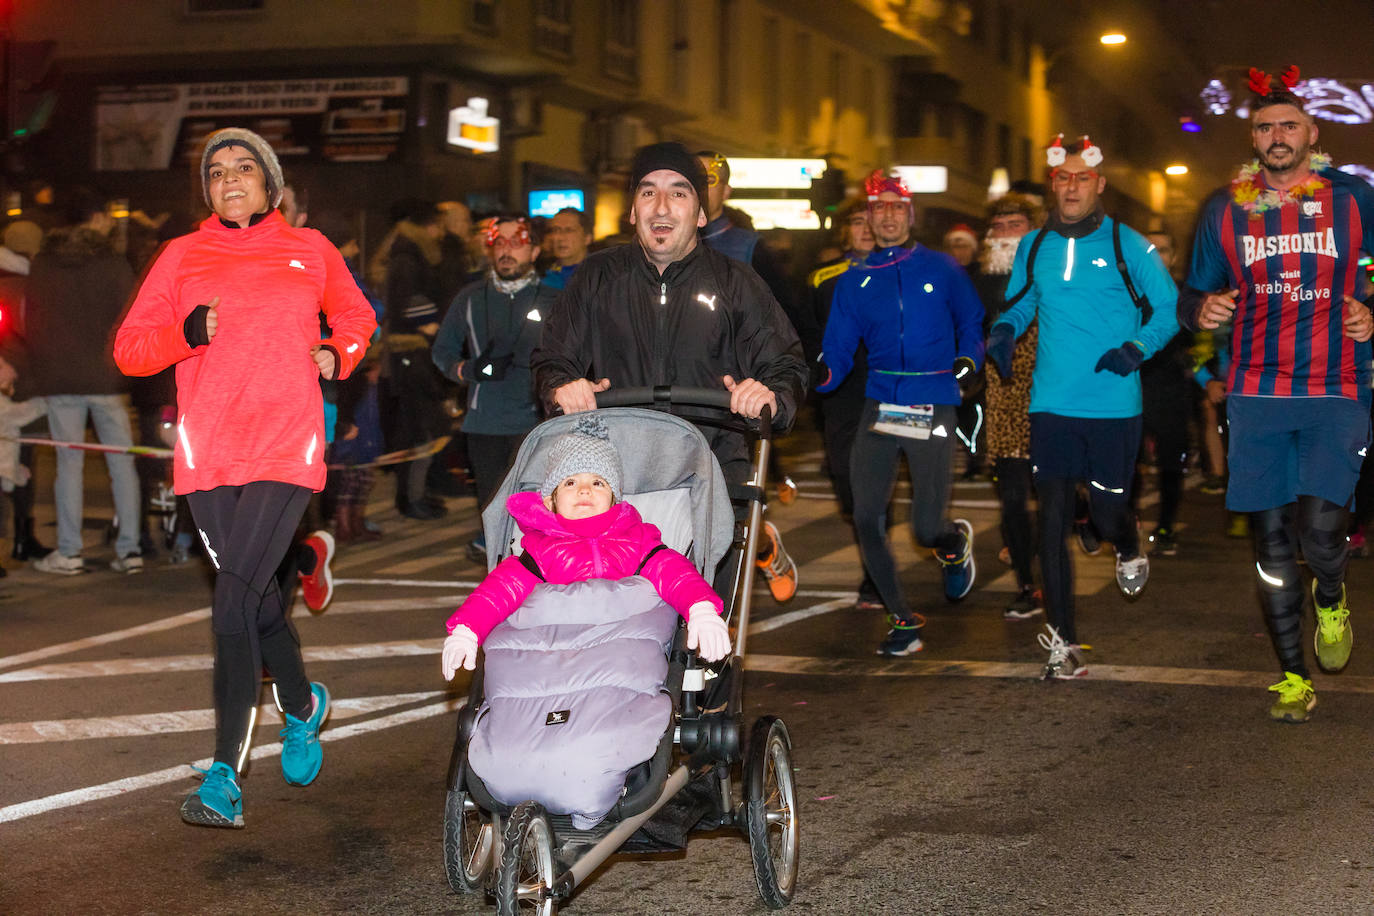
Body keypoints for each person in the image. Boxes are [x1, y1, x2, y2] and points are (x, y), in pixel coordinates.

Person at [114, 127, 377, 828]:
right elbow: (130, 349)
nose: (230, 180)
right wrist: (186, 333)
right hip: (209, 455)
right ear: (207, 190)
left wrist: (337, 353)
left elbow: (357, 317)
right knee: (257, 602)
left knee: (231, 602)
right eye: (218, 172)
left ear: (271, 184)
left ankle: (224, 777)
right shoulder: (181, 255)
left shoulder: (310, 248)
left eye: (244, 169)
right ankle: (302, 703)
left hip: (286, 445)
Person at [1177, 66, 1374, 722]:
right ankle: (1293, 676)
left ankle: (1332, 594)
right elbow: (1191, 293)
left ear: (1312, 133)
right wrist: (1200, 313)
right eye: (1265, 127)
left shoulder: (1352, 199)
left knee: (1320, 537)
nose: (1277, 135)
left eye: (1289, 124)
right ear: (1253, 139)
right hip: (1256, 392)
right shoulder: (1224, 208)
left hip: (1336, 387)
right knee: (1269, 544)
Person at [532, 141, 808, 601]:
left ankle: (707, 659)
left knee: (706, 600)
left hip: (714, 457)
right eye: (648, 192)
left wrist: (769, 394)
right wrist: (562, 385)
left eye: (679, 193)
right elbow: (553, 357)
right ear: (632, 210)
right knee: (620, 600)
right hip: (618, 462)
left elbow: (784, 362)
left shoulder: (735, 282)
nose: (661, 207)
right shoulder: (597, 278)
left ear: (701, 214)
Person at [986, 135, 1179, 679]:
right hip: (1051, 404)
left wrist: (1135, 349)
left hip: (1114, 405)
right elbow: (1025, 300)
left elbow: (1168, 308)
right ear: (1054, 184)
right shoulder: (1035, 244)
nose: (1071, 187)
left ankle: (1126, 539)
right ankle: (1065, 644)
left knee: (1106, 512)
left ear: (1098, 184)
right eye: (1062, 178)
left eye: (1081, 178)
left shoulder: (1128, 244)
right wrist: (1004, 330)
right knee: (1050, 522)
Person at [817, 169, 983, 657]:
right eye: (878, 207)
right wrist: (819, 376)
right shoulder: (854, 282)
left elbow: (972, 320)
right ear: (868, 217)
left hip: (932, 403)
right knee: (867, 517)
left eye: (896, 207)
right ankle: (903, 620)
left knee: (924, 528)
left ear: (909, 214)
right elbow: (838, 349)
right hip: (881, 403)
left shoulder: (943, 268)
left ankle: (951, 544)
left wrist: (968, 360)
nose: (887, 215)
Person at [441, 414, 730, 677]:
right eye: (569, 483)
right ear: (550, 501)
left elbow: (674, 572)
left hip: (621, 657)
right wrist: (467, 629)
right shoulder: (540, 550)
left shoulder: (637, 541)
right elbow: (499, 589)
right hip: (556, 659)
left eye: (598, 483)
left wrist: (700, 607)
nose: (584, 490)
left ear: (615, 499)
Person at [26, 189, 143, 575]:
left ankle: (69, 551)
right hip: (106, 376)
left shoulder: (43, 263)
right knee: (122, 463)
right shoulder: (112, 263)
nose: (111, 222)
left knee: (69, 464)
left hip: (60, 377)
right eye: (107, 216)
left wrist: (41, 367)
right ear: (94, 219)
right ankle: (129, 549)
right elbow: (130, 316)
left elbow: (33, 320)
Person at [432, 213, 554, 561]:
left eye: (517, 243)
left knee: (537, 513)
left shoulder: (553, 299)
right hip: (483, 422)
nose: (507, 251)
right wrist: (466, 370)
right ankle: (499, 582)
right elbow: (442, 351)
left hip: (536, 424)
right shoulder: (470, 298)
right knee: (492, 509)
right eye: (499, 243)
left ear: (534, 252)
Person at [803, 198, 881, 609]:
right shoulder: (823, 278)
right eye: (857, 221)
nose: (866, 228)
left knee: (878, 488)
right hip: (842, 396)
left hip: (892, 393)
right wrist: (819, 368)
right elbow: (808, 332)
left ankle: (875, 576)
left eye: (873, 220)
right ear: (845, 230)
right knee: (849, 487)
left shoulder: (905, 271)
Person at [976, 192, 1045, 620]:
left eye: (1015, 226)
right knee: (1013, 500)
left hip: (1053, 396)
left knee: (1060, 490)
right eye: (998, 227)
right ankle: (1027, 584)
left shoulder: (1054, 271)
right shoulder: (978, 280)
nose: (1005, 235)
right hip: (1003, 399)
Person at [378, 198, 449, 520]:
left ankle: (417, 494)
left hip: (411, 350)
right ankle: (411, 498)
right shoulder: (408, 257)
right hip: (409, 351)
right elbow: (408, 301)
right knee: (419, 428)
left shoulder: (405, 253)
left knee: (421, 427)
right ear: (428, 226)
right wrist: (433, 328)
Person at [1135, 230, 1194, 558]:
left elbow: (1199, 344)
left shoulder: (1187, 295)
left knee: (1171, 463)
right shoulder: (1126, 290)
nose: (1158, 256)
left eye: (1165, 250)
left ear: (1173, 257)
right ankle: (1129, 521)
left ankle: (1166, 525)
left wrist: (1201, 373)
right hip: (1132, 386)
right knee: (1129, 461)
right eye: (1151, 250)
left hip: (1171, 390)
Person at [541, 206, 592, 290]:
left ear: (587, 238)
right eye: (555, 230)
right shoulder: (543, 279)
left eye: (569, 230)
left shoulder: (600, 276)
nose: (560, 237)